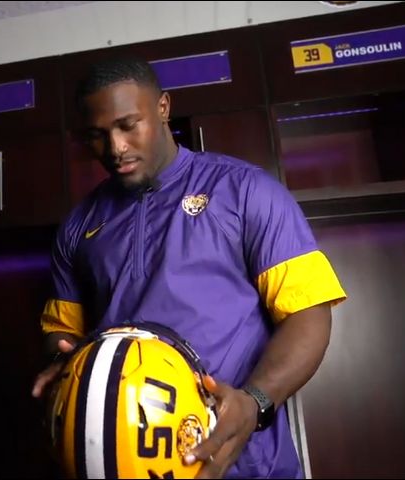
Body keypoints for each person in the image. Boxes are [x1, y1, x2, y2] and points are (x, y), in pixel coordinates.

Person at [31, 57, 347, 479]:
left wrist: (255, 402)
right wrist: (63, 362)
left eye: (128, 125)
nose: (115, 147)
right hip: (123, 466)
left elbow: (308, 315)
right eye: (97, 135)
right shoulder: (78, 225)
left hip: (247, 466)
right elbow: (62, 334)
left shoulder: (246, 190)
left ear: (163, 108)